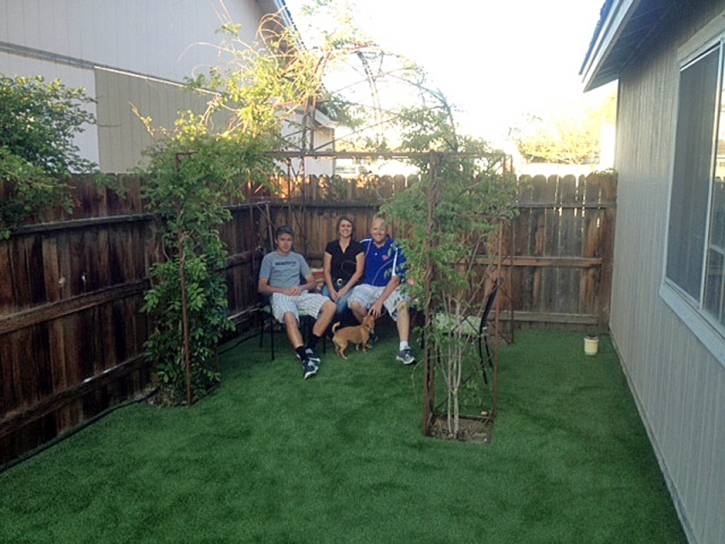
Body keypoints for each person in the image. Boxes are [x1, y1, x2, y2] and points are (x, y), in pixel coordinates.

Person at [258, 225, 336, 379]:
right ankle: (304, 358)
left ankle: (310, 348)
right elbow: (262, 287)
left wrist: (300, 287)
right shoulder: (269, 259)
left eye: (289, 240)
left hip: (299, 293)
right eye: (282, 240)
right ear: (276, 241)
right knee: (289, 316)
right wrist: (282, 291)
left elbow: (312, 283)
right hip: (279, 295)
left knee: (331, 306)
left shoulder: (298, 258)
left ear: (292, 241)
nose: (286, 243)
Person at [348, 216, 417, 365]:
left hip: (391, 286)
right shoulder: (364, 245)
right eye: (375, 229)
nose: (378, 232)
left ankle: (404, 348)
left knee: (402, 304)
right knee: (354, 303)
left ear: (387, 231)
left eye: (382, 229)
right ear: (370, 230)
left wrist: (379, 302)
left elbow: (395, 279)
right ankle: (370, 334)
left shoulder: (397, 247)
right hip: (368, 286)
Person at [322, 216, 365, 325]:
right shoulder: (331, 246)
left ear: (352, 229)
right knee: (325, 304)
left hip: (349, 285)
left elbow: (359, 271)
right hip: (332, 284)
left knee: (340, 306)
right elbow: (326, 270)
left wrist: (345, 289)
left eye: (348, 226)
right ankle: (327, 332)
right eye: (343, 226)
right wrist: (331, 290)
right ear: (338, 229)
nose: (345, 228)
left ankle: (337, 329)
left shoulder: (358, 247)